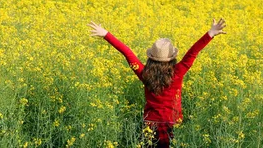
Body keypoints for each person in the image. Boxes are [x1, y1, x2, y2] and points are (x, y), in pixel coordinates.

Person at [88, 18, 226, 147]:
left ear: (151, 58)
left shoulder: (144, 73)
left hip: (150, 125)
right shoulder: (178, 72)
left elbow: (127, 53)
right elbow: (193, 52)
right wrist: (210, 33)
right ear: (171, 58)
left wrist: (106, 34)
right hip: (172, 124)